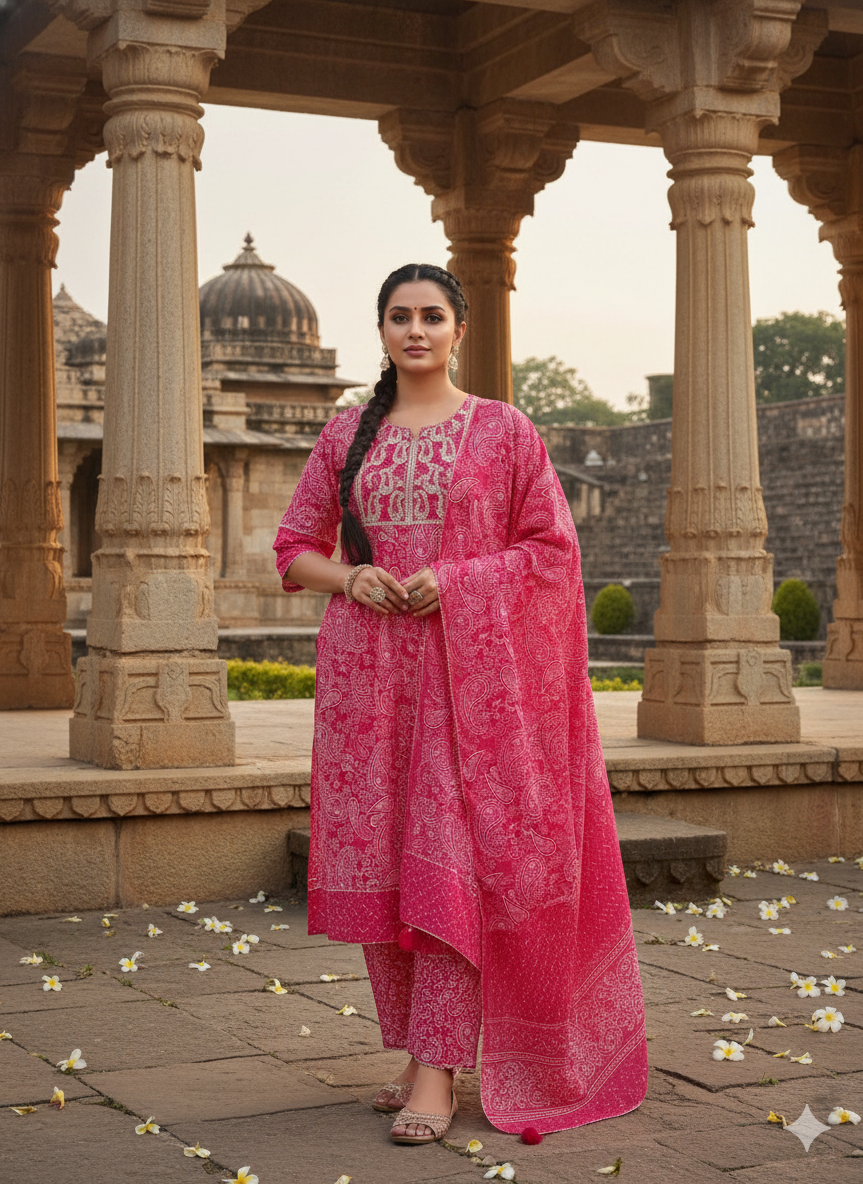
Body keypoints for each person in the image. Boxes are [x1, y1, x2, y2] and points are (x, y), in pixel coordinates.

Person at [273, 263, 648, 1147]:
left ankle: (439, 1074)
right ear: (382, 332)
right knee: (387, 875)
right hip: (368, 688)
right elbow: (293, 549)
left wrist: (459, 581)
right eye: (400, 317)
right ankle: (415, 1050)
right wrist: (352, 575)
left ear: (458, 330)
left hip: (467, 692)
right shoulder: (343, 438)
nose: (416, 331)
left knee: (445, 862)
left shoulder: (502, 432)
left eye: (431, 316)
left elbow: (552, 551)